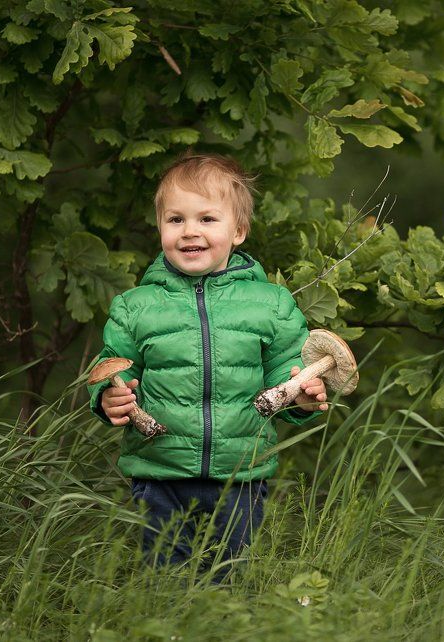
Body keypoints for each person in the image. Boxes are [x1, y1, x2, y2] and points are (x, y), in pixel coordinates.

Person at [86, 152, 328, 581]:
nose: (190, 231)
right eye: (175, 219)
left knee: (229, 578)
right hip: (159, 473)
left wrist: (302, 398)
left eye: (207, 219)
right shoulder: (135, 307)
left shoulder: (270, 304)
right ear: (160, 226)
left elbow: (286, 370)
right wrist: (108, 396)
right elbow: (112, 364)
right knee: (165, 578)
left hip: (240, 473)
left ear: (238, 231)